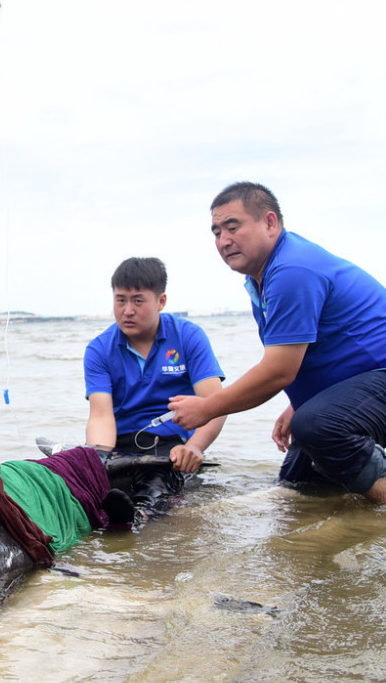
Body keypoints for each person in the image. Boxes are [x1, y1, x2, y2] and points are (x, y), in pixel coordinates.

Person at [168, 182, 386, 503]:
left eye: (233, 227)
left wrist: (208, 408)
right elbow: (316, 351)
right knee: (297, 486)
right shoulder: (263, 278)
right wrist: (297, 403)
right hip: (365, 383)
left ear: (270, 223)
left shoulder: (291, 270)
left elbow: (278, 371)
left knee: (317, 426)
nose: (224, 241)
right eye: (216, 232)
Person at [83, 257, 227, 509]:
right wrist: (99, 459)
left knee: (154, 492)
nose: (128, 310)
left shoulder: (188, 336)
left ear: (161, 301)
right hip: (121, 446)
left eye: (138, 301)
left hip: (173, 446)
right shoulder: (98, 349)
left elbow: (216, 405)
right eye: (120, 300)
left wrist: (195, 447)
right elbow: (101, 416)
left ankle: (136, 526)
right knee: (87, 493)